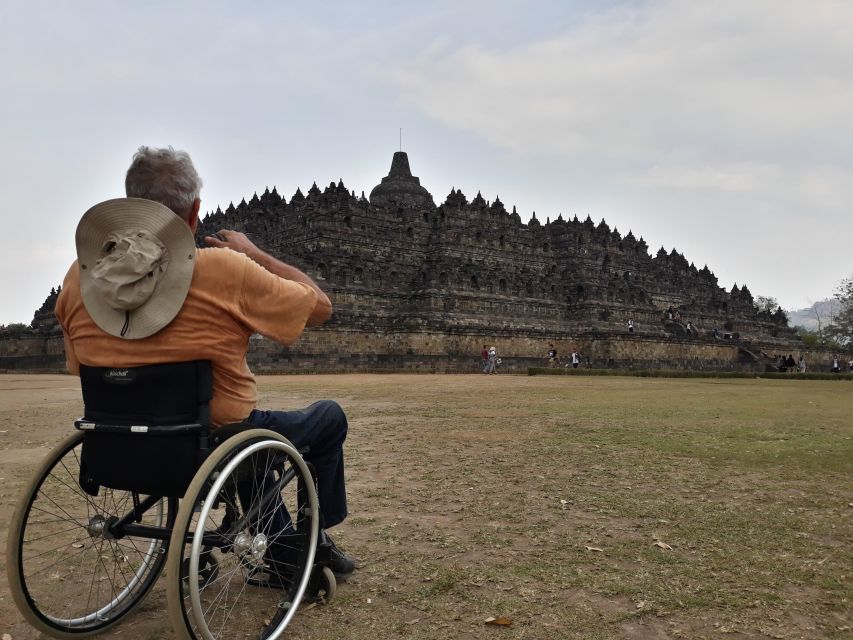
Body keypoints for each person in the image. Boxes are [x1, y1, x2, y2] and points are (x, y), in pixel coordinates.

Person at [55, 145, 355, 581]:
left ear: (130, 206)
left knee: (244, 440)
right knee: (324, 418)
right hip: (213, 441)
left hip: (118, 442)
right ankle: (315, 540)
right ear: (195, 212)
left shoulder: (78, 278)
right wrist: (255, 254)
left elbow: (78, 366)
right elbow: (321, 306)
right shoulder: (224, 270)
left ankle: (286, 550)